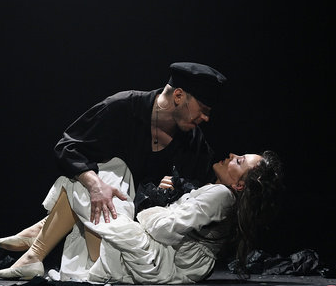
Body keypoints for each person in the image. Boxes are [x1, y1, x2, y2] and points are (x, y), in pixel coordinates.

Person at [0, 150, 284, 284]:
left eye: (239, 161)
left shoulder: (221, 195)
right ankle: (41, 233)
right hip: (147, 258)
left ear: (240, 185)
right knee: (116, 167)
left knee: (87, 183)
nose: (231, 155)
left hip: (142, 259)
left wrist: (151, 210)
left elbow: (164, 229)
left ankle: (35, 251)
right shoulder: (220, 196)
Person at [53, 62, 227, 225]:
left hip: (141, 230)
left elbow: (204, 192)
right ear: (178, 95)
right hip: (96, 212)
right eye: (203, 109)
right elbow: (68, 147)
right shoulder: (123, 108)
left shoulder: (195, 144)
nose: (206, 118)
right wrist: (95, 184)